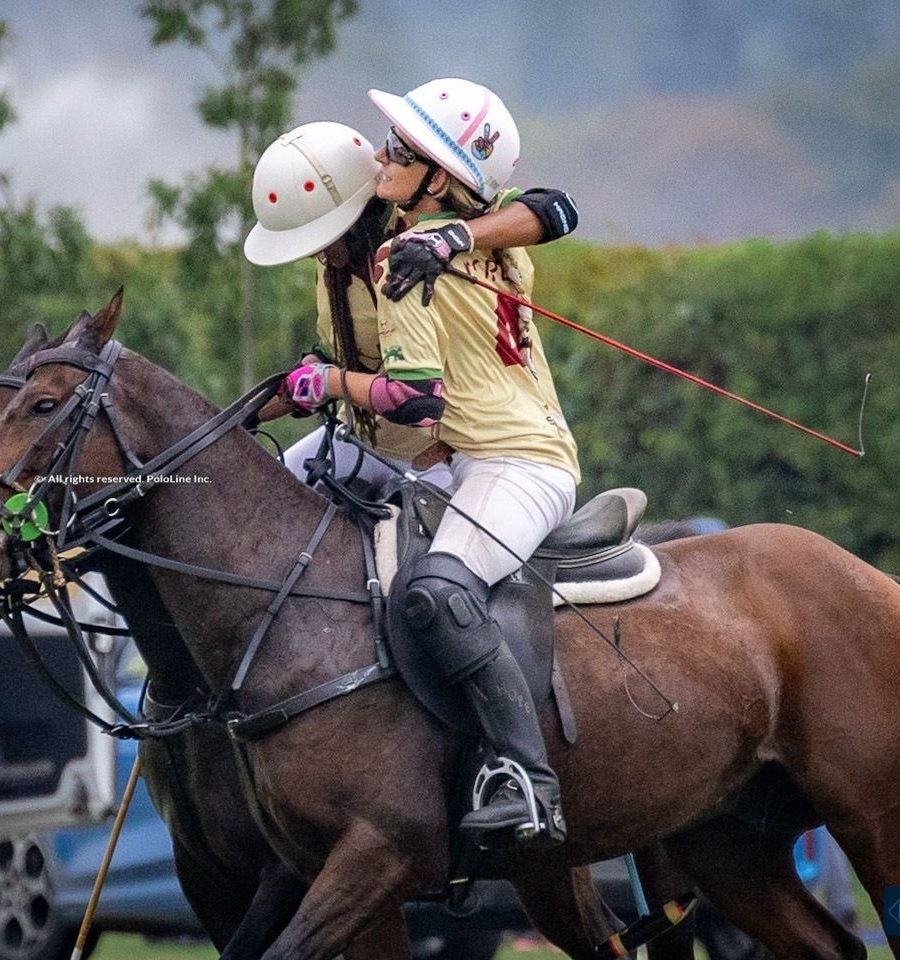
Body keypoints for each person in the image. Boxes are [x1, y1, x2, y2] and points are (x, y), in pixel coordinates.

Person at [273, 79, 580, 847]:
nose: (382, 159)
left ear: (441, 177)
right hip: (459, 453)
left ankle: (529, 782)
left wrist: (452, 241)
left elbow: (414, 404)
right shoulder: (437, 233)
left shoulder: (423, 249)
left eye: (399, 151)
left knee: (439, 592)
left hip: (518, 460)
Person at [244, 118, 578, 496]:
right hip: (359, 440)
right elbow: (337, 356)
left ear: (356, 216)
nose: (318, 253)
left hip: (445, 453)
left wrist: (453, 238)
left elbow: (554, 208)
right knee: (256, 501)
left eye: (322, 238)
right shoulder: (332, 271)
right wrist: (248, 416)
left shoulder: (427, 224)